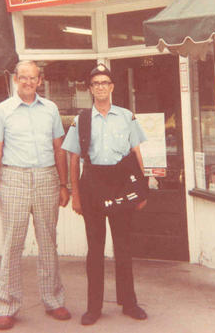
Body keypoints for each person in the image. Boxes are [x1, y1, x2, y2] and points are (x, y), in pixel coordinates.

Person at [0, 60, 71, 330]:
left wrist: (63, 184)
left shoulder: (51, 109)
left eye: (32, 78)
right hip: (14, 179)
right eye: (23, 77)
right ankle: (6, 305)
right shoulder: (2, 111)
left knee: (49, 241)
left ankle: (53, 300)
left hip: (47, 177)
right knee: (12, 243)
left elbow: (59, 148)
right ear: (15, 79)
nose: (27, 82)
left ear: (40, 81)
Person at [62, 63, 148, 326]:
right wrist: (75, 195)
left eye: (104, 83)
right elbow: (74, 159)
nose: (100, 87)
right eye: (95, 83)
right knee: (95, 249)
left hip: (121, 184)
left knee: (123, 246)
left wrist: (141, 190)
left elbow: (136, 154)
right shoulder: (81, 120)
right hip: (93, 185)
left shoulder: (126, 116)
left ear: (112, 87)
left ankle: (129, 302)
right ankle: (94, 307)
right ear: (90, 89)